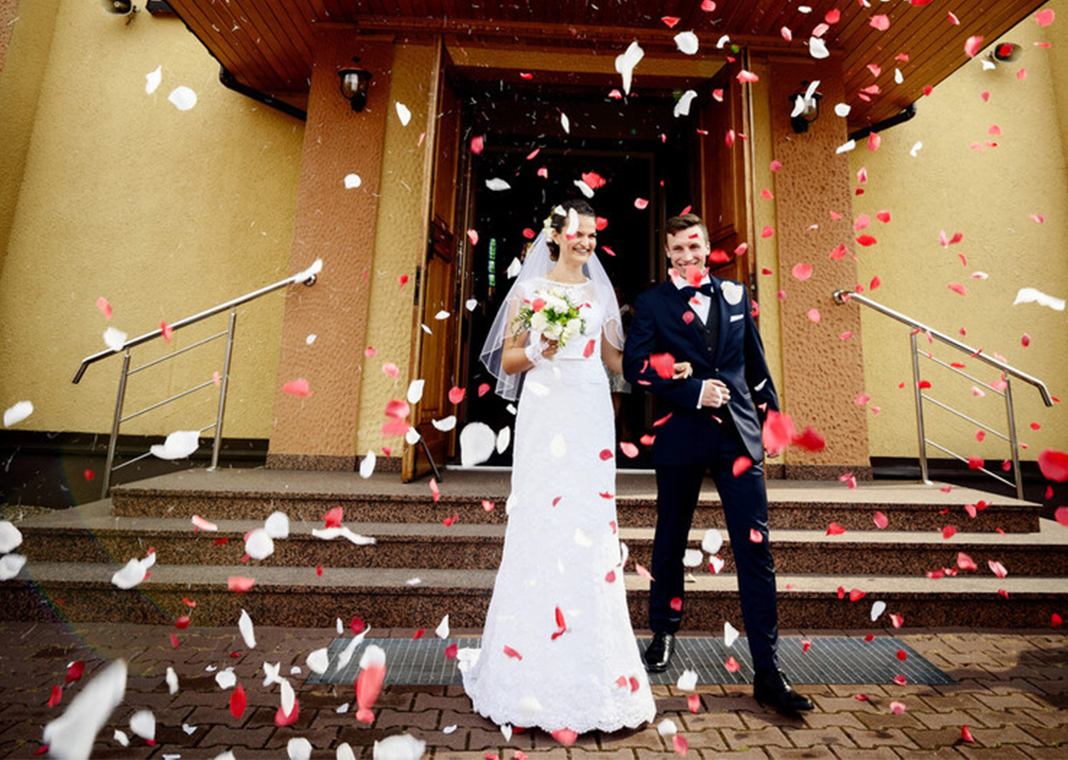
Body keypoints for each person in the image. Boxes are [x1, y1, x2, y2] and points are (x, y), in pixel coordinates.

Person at [461, 199, 678, 734]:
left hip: (586, 408)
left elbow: (613, 361)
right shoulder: (530, 291)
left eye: (591, 233)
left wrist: (666, 365)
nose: (585, 241)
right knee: (540, 518)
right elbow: (508, 359)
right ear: (554, 236)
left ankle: (593, 666)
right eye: (577, 232)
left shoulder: (600, 292)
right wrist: (541, 348)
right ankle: (523, 664)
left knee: (586, 523)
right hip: (543, 406)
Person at [622, 212, 813, 714]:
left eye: (694, 247)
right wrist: (690, 390)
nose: (687, 257)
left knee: (755, 549)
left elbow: (755, 365)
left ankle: (768, 671)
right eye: (677, 250)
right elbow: (635, 368)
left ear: (708, 247)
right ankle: (662, 631)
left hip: (737, 437)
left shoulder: (733, 295)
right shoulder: (651, 303)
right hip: (682, 436)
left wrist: (770, 422)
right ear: (666, 253)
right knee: (670, 536)